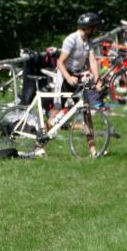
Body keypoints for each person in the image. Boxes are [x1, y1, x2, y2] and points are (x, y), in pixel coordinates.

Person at [49, 12, 103, 157]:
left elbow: (93, 61)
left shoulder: (89, 41)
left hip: (77, 77)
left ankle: (93, 150)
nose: (97, 30)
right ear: (88, 28)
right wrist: (68, 78)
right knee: (57, 113)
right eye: (95, 27)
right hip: (64, 77)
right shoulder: (71, 40)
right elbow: (60, 62)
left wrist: (97, 81)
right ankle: (39, 144)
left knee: (86, 112)